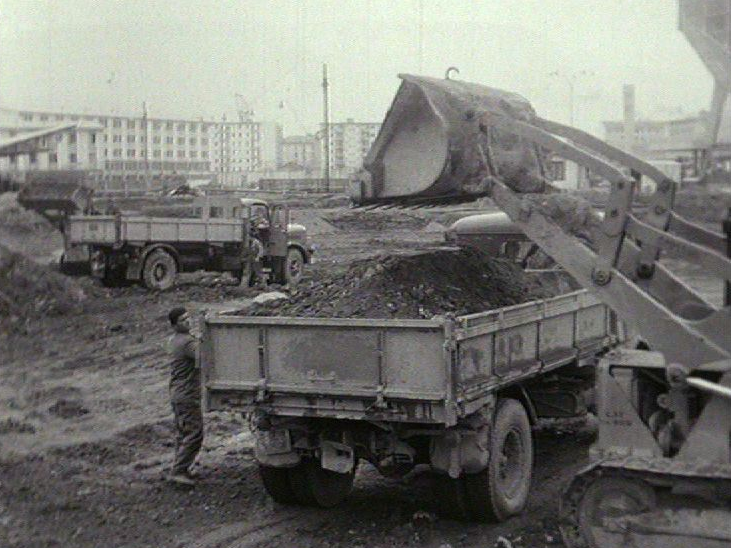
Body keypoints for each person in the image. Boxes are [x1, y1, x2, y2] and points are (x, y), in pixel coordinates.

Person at [166, 307, 203, 486]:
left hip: (177, 393)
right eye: (183, 320)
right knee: (195, 433)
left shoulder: (174, 340)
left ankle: (180, 468)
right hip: (187, 394)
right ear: (175, 325)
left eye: (188, 318)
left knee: (183, 433)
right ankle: (178, 470)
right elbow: (204, 357)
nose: (188, 321)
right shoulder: (187, 343)